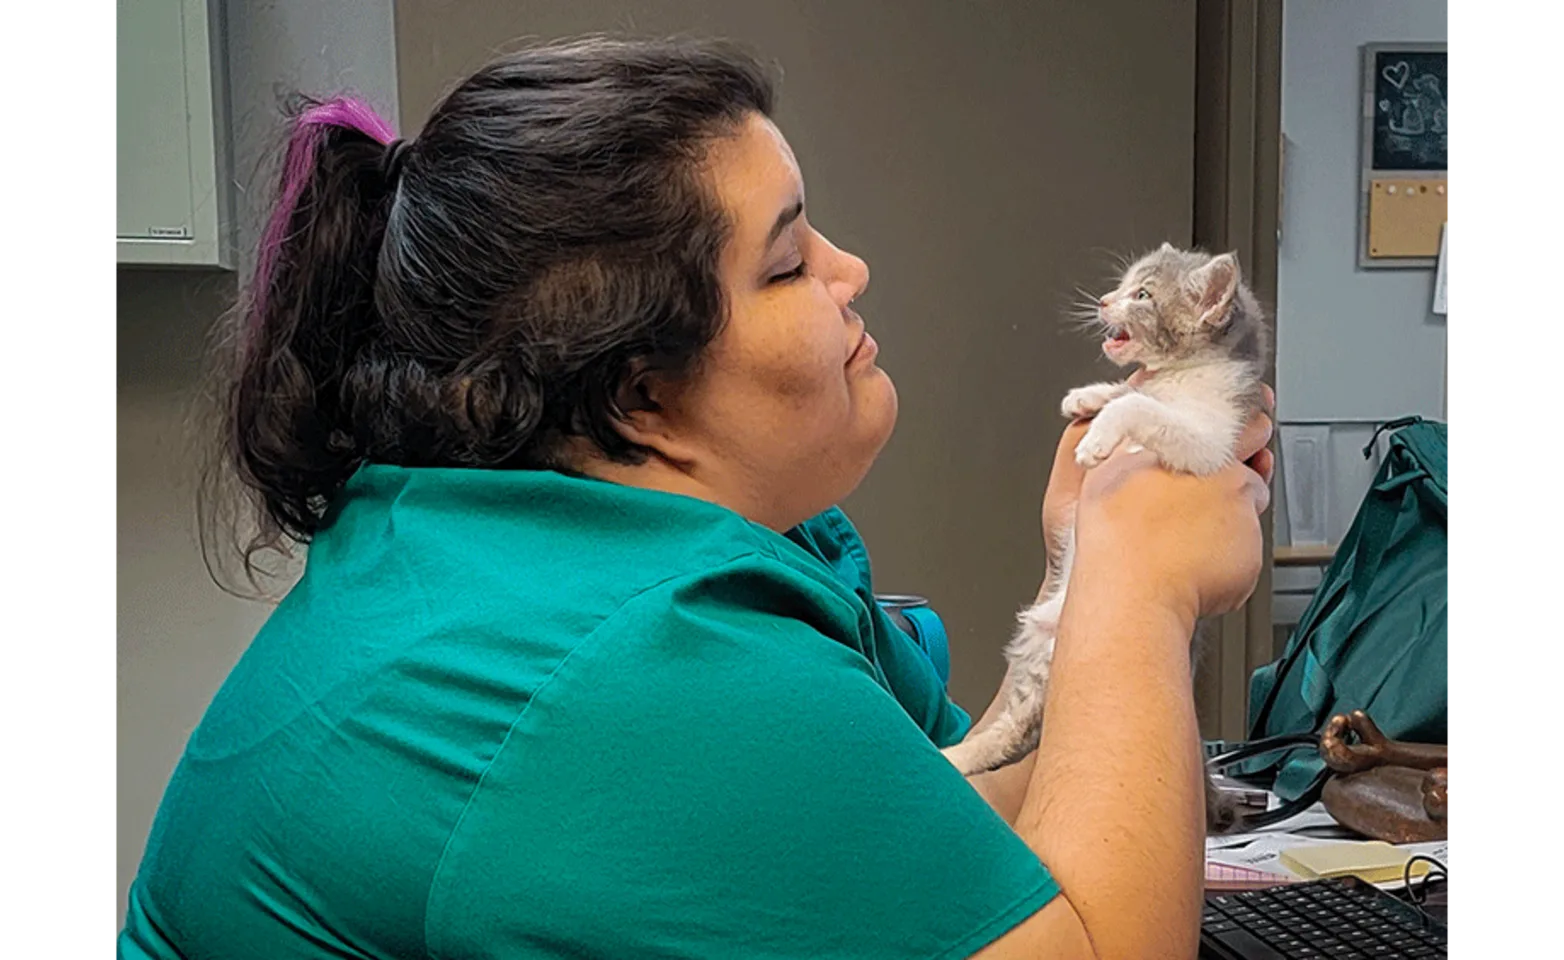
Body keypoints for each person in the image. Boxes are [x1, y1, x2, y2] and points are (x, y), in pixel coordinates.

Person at [115, 37, 1273, 960]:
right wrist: (1137, 589)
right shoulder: (623, 666)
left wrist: (1082, 575)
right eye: (785, 263)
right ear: (638, 391)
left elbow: (964, 854)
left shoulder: (528, 547)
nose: (849, 270)